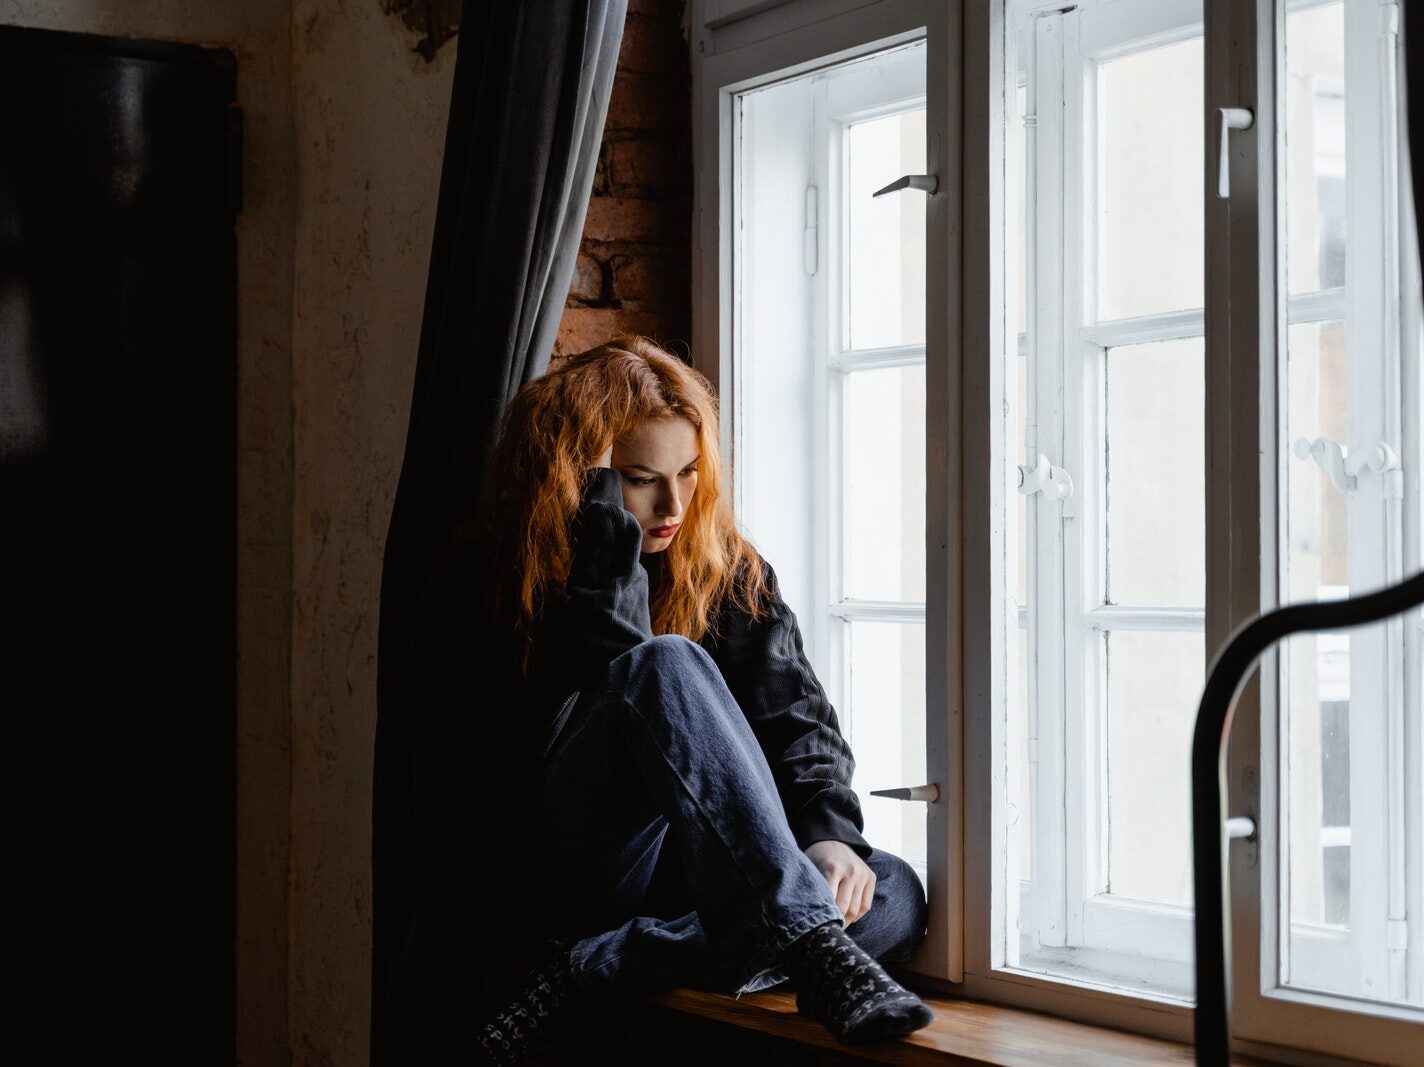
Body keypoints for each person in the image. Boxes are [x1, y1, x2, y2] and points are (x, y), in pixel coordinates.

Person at [448, 336, 932, 1062]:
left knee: (889, 889)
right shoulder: (498, 573)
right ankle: (793, 938)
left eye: (689, 472)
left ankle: (596, 966)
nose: (673, 504)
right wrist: (604, 538)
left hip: (704, 881)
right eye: (641, 480)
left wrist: (828, 833)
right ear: (578, 479)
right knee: (663, 661)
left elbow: (797, 720)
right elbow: (599, 686)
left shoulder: (723, 565)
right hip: (575, 868)